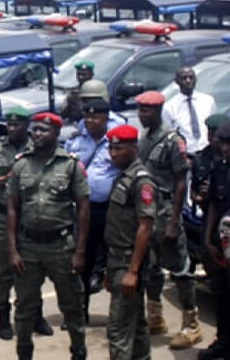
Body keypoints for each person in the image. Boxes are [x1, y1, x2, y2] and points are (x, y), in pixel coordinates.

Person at [7, 112, 90, 360]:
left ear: (56, 133)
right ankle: (24, 354)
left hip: (60, 246)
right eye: (34, 130)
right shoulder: (21, 164)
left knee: (72, 305)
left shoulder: (71, 164)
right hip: (28, 246)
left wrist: (80, 251)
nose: (37, 134)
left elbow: (84, 208)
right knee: (24, 308)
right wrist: (12, 249)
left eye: (43, 130)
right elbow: (13, 207)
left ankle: (78, 352)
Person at [0, 107, 53, 340]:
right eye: (8, 125)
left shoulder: (36, 147)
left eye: (16, 125)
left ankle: (36, 316)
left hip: (28, 215)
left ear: (26, 126)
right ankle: (3, 318)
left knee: (32, 267)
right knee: (3, 268)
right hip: (1, 214)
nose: (11, 129)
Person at [135, 90, 201, 349]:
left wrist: (174, 221)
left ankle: (191, 324)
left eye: (147, 111)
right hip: (147, 211)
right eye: (140, 110)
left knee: (180, 269)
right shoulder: (146, 137)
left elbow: (180, 182)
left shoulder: (172, 140)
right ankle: (155, 316)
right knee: (151, 266)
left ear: (159, 111)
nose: (142, 115)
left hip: (165, 211)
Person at [65, 98, 120, 325]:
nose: (90, 120)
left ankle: (120, 316)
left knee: (116, 261)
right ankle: (79, 313)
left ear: (106, 118)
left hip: (113, 210)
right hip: (85, 210)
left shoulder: (116, 142)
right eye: (86, 116)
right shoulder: (75, 142)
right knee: (82, 262)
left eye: (95, 117)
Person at [104, 124, 156, 360]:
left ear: (134, 149)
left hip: (128, 262)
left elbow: (145, 226)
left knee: (119, 330)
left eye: (119, 148)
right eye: (111, 148)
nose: (113, 153)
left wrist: (132, 271)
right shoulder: (124, 176)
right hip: (117, 260)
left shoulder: (141, 181)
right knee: (136, 325)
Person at [200, 120, 230, 360]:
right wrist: (209, 239)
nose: (226, 149)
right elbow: (212, 203)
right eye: (224, 144)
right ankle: (224, 341)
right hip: (222, 242)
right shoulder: (219, 167)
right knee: (221, 293)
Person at [163, 67, 216, 157]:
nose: (188, 81)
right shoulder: (169, 107)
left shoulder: (208, 101)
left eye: (191, 77)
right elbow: (168, 136)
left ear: (195, 79)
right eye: (184, 78)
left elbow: (214, 128)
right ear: (177, 81)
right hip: (186, 156)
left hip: (208, 153)